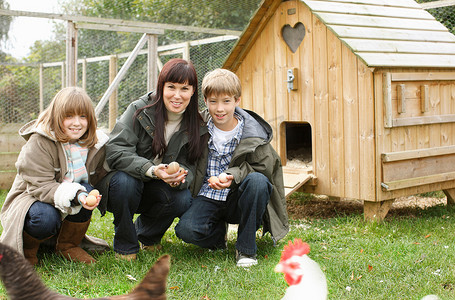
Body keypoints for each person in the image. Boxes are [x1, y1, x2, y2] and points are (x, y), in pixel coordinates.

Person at [175, 68, 289, 267]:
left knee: (258, 182)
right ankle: (218, 238)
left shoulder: (253, 133)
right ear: (205, 101)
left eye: (226, 101)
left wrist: (232, 176)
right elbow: (185, 159)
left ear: (237, 100)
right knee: (186, 230)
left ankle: (246, 249)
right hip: (207, 195)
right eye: (213, 101)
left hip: (239, 197)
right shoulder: (196, 127)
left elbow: (264, 170)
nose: (220, 108)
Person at [98, 58, 207, 261]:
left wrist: (180, 176)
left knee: (182, 198)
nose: (177, 95)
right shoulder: (139, 110)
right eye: (171, 87)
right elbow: (116, 150)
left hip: (157, 188)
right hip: (125, 185)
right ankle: (125, 244)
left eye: (184, 88)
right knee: (125, 182)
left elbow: (192, 166)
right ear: (161, 87)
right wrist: (152, 169)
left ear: (193, 92)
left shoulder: (197, 124)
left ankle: (147, 235)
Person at [0, 87, 109, 265]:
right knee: (45, 218)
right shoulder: (40, 141)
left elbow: (101, 174)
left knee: (89, 189)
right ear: (57, 117)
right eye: (69, 116)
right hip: (33, 197)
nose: (77, 123)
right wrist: (77, 195)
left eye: (83, 116)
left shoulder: (95, 144)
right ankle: (28, 250)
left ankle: (68, 245)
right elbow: (39, 186)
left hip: (71, 195)